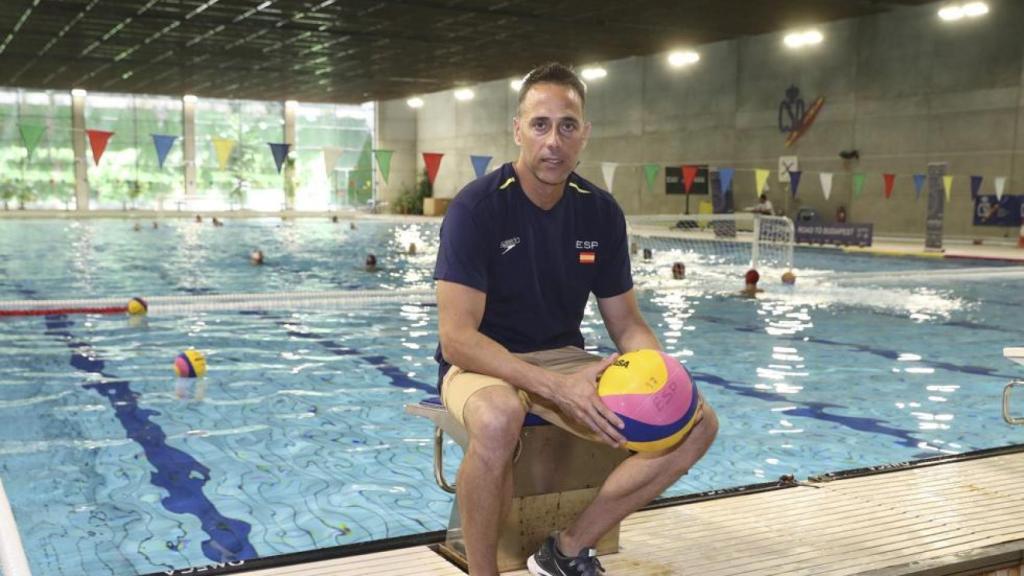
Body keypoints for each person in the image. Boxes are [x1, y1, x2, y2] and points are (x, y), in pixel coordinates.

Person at [433, 62, 718, 576]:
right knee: (499, 419)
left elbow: (626, 323)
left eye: (567, 125)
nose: (553, 141)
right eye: (540, 124)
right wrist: (554, 389)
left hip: (564, 358)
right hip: (483, 359)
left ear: (584, 134)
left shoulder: (600, 212)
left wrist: (659, 373)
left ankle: (566, 550)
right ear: (517, 129)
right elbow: (456, 339)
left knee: (697, 423)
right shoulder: (476, 208)